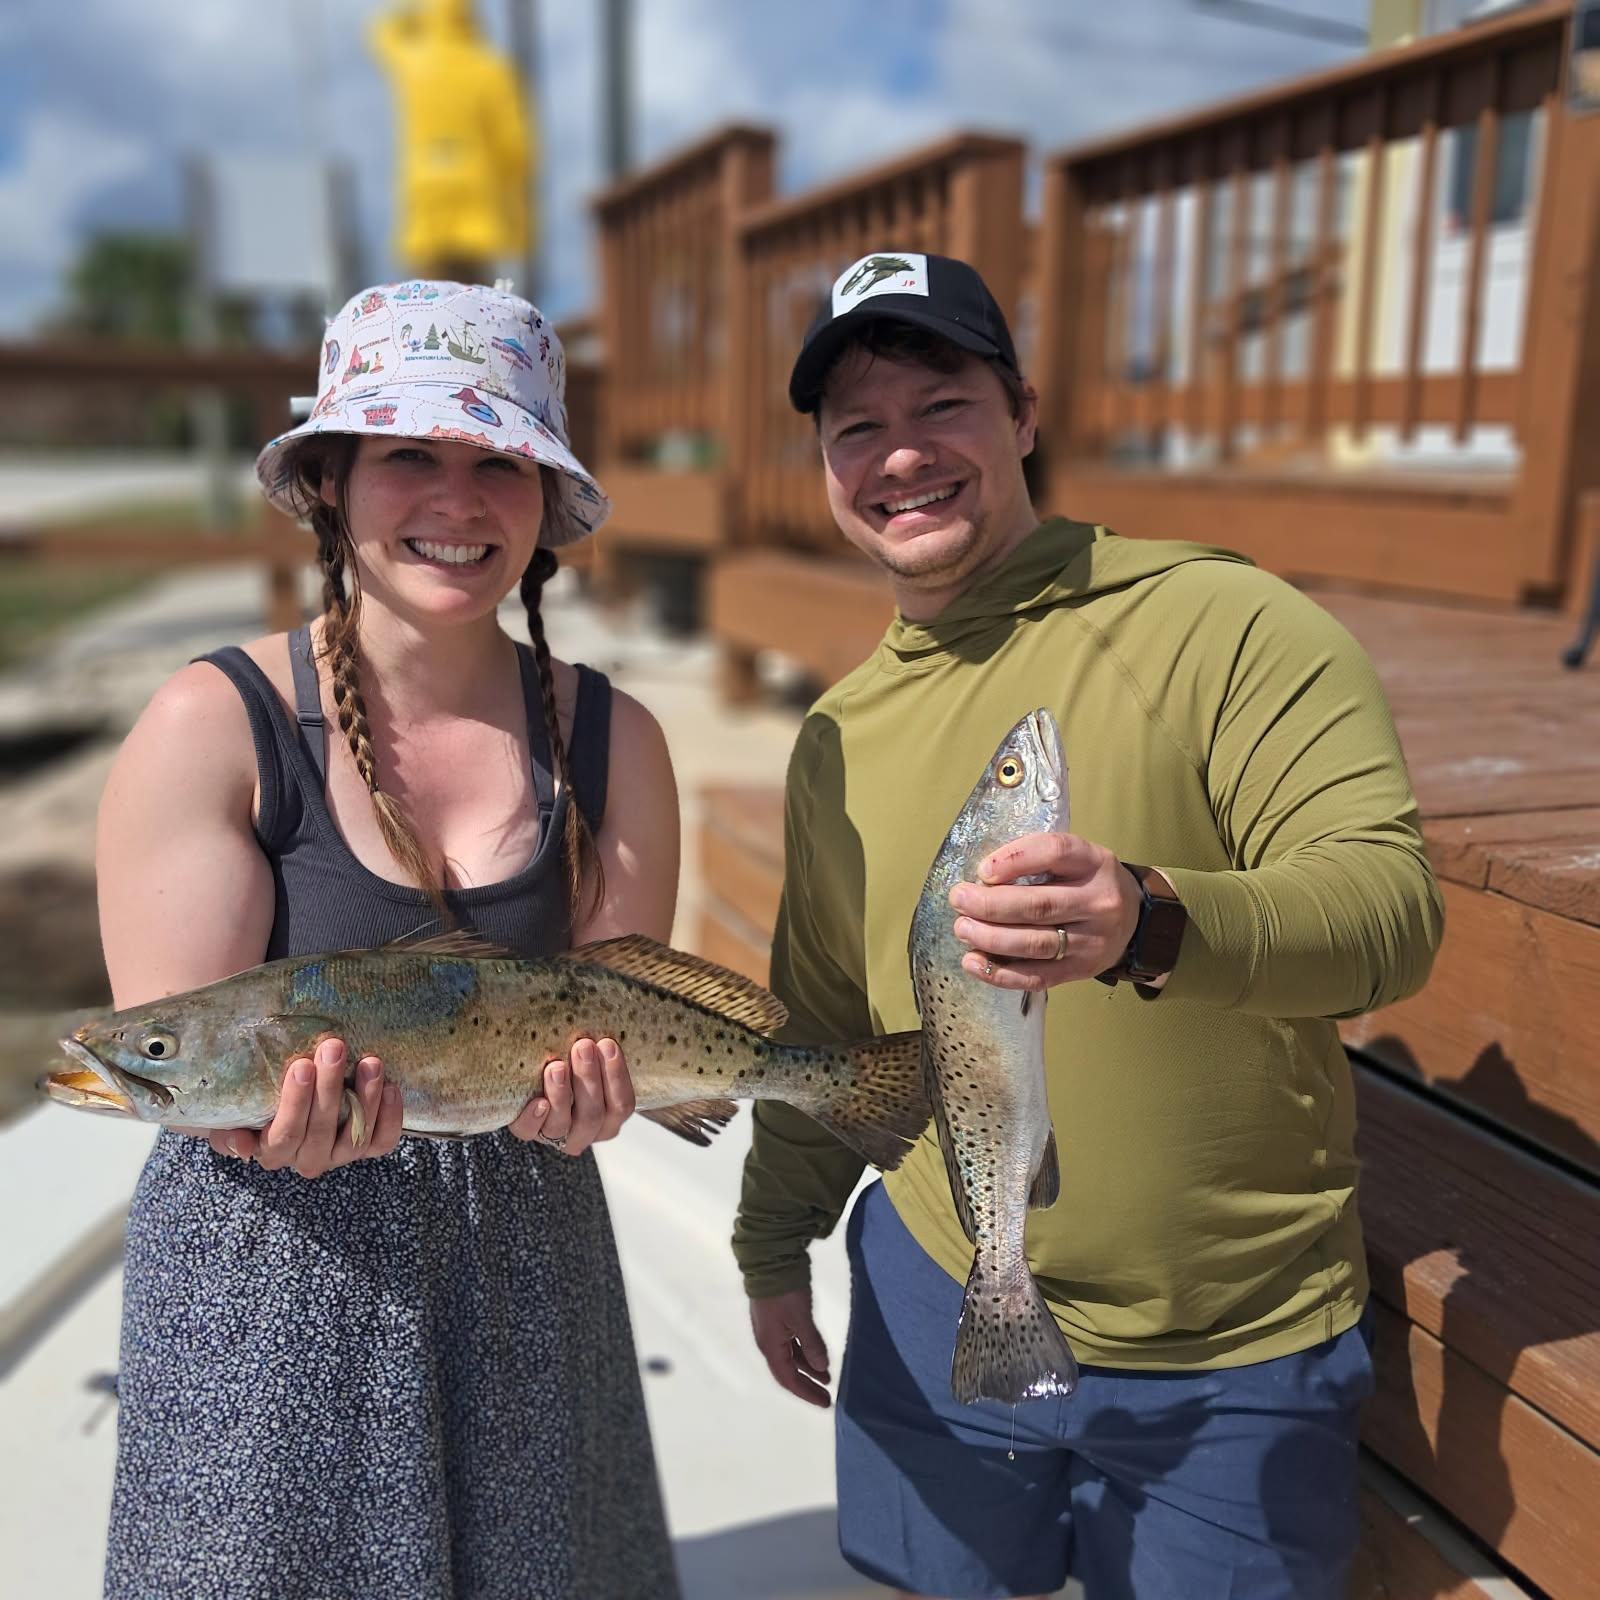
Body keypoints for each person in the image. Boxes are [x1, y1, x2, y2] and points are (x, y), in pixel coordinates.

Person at [733, 251, 1445, 1600]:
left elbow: (1391, 916)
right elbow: (824, 1017)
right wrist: (776, 1242)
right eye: (857, 427)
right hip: (933, 1286)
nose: (901, 455)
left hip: (1228, 1345)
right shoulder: (839, 731)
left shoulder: (1222, 624)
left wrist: (1151, 922)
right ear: (824, 466)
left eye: (941, 404)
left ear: (1024, 414)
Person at [98, 281, 681, 1599]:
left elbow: (623, 1008)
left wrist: (602, 1100)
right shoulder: (214, 723)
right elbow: (181, 1061)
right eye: (410, 453)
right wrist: (254, 1127)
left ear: (544, 500)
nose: (458, 502)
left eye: (500, 463)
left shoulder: (616, 739)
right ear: (330, 484)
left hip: (529, 1255)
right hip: (271, 1266)